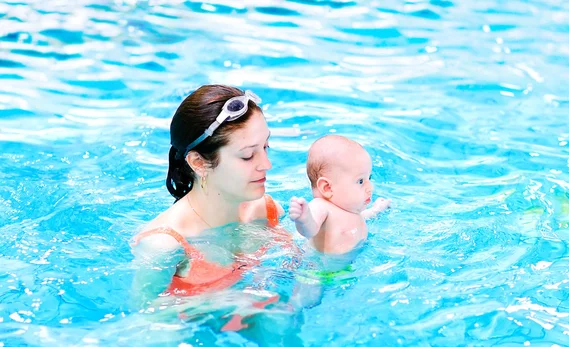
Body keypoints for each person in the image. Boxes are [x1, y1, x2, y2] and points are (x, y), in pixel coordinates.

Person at [133, 84, 290, 304]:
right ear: (199, 163)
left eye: (266, 146)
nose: (267, 164)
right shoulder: (164, 245)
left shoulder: (266, 212)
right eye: (247, 156)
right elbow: (146, 316)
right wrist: (225, 301)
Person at [289, 135, 391, 254]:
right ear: (327, 188)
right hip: (323, 271)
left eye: (369, 178)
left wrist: (376, 210)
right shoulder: (321, 207)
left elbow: (361, 218)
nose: (370, 187)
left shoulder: (350, 210)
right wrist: (303, 219)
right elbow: (309, 230)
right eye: (360, 181)